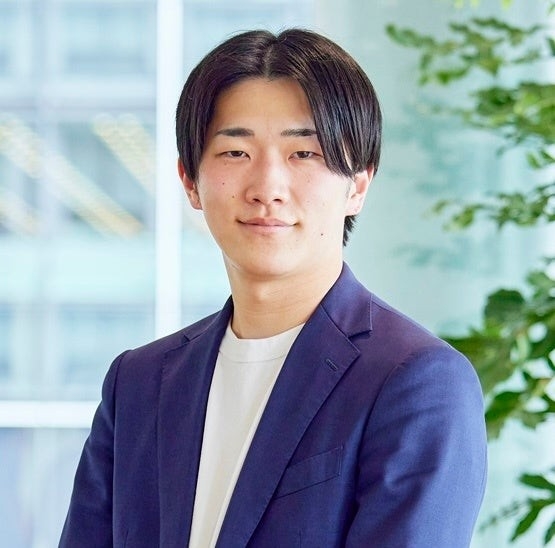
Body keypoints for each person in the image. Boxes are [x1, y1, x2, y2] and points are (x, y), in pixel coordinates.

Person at [60, 28, 487, 547]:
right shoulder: (138, 383)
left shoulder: (417, 382)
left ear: (358, 184)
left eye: (303, 153)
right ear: (190, 180)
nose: (267, 188)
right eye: (235, 152)